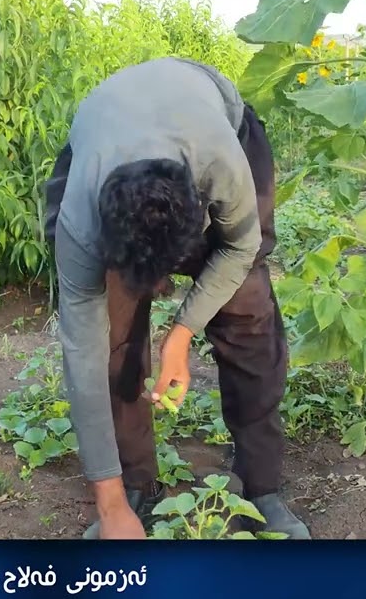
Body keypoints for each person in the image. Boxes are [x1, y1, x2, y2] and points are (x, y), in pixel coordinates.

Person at [42, 57, 310, 541]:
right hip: (102, 140)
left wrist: (181, 334)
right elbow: (82, 353)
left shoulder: (221, 165)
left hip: (218, 122)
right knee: (111, 336)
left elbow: (239, 246)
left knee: (246, 308)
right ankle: (131, 486)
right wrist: (110, 506)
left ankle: (262, 485)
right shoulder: (81, 223)